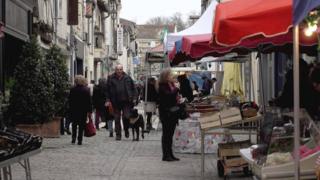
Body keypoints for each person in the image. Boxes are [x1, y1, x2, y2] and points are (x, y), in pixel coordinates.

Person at [105, 64, 137, 141]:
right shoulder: (111, 78)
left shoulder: (128, 78)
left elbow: (134, 88)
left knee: (126, 117)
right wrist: (108, 100)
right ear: (115, 70)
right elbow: (107, 91)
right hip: (115, 102)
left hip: (126, 101)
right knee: (117, 119)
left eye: (120, 69)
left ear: (122, 70)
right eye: (118, 69)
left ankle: (126, 130)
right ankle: (118, 135)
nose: (119, 71)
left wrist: (134, 98)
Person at [158, 68, 180, 161]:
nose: (173, 77)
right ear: (166, 77)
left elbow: (173, 96)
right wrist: (176, 88)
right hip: (166, 113)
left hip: (173, 113)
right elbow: (168, 96)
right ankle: (165, 155)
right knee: (166, 134)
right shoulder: (162, 86)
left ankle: (170, 153)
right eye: (171, 75)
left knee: (170, 135)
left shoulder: (170, 85)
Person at [69, 75, 92, 145]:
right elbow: (89, 102)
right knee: (81, 125)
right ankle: (80, 140)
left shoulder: (72, 89)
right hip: (83, 110)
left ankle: (73, 138)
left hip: (74, 110)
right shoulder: (86, 90)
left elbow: (70, 100)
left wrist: (70, 109)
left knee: (74, 125)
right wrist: (90, 111)